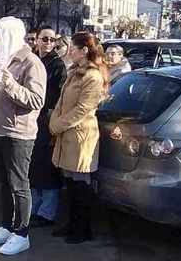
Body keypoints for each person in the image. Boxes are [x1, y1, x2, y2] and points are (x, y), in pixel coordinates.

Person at [0, 17, 47, 256]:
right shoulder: (0, 57)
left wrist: (9, 82)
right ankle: (6, 226)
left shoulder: (31, 62)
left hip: (18, 133)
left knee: (19, 185)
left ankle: (22, 233)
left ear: (8, 35)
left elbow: (36, 100)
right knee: (1, 183)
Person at [49, 32, 109, 244]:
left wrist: (57, 124)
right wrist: (55, 120)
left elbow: (83, 109)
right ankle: (71, 224)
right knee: (70, 182)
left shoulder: (93, 76)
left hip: (81, 135)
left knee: (81, 183)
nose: (70, 51)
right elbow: (61, 100)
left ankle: (82, 228)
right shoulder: (74, 72)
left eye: (73, 48)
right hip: (67, 133)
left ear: (84, 50)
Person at [29, 27, 67, 228]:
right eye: (44, 39)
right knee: (33, 166)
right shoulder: (33, 59)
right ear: (36, 40)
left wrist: (52, 120)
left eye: (52, 40)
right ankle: (34, 208)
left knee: (46, 167)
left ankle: (47, 212)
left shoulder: (57, 65)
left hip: (46, 120)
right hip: (31, 118)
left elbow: (59, 96)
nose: (48, 43)